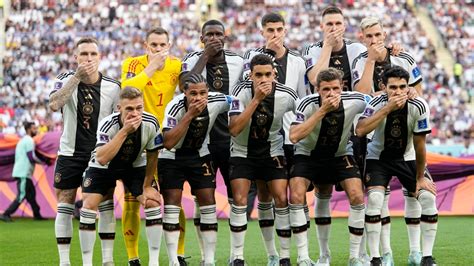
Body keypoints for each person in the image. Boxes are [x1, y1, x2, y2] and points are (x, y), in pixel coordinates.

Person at [353, 17, 424, 265]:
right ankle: (384, 253)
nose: (374, 40)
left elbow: (419, 94)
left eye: (377, 35)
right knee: (377, 197)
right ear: (362, 37)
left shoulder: (404, 57)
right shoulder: (360, 61)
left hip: (402, 135)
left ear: (384, 34)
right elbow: (361, 97)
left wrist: (411, 92)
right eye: (369, 36)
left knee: (412, 194)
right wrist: (371, 60)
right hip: (371, 136)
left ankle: (416, 251)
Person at [242, 13, 309, 261]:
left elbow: (302, 101)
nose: (275, 34)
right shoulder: (251, 59)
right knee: (266, 194)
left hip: (292, 137)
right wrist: (267, 55)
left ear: (285, 30)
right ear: (262, 32)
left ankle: (301, 253)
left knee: (295, 194)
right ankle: (275, 254)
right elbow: (243, 92)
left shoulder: (298, 62)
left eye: (279, 29)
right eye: (270, 29)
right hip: (263, 137)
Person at [49, 37, 120, 266]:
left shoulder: (113, 86)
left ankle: (107, 260)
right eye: (84, 54)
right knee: (66, 202)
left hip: (99, 155)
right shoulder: (64, 79)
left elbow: (117, 121)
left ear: (100, 57)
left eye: (93, 54)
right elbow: (54, 104)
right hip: (70, 153)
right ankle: (64, 262)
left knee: (106, 200)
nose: (88, 58)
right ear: (75, 58)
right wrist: (77, 77)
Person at [356, 66, 438, 266]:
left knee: (427, 197)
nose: (398, 92)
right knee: (375, 199)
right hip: (378, 158)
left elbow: (420, 146)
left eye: (403, 87)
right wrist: (387, 108)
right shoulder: (375, 103)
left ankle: (424, 257)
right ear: (384, 87)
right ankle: (376, 258)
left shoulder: (418, 106)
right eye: (393, 87)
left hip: (408, 157)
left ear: (408, 86)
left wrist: (420, 178)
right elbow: (360, 130)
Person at [121, 27, 188, 266]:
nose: (159, 49)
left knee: (172, 199)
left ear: (169, 45)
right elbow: (127, 91)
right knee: (132, 200)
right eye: (154, 45)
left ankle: (178, 254)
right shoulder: (133, 63)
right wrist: (151, 67)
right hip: (138, 141)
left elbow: (190, 91)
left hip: (167, 141)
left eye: (162, 45)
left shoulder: (177, 66)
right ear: (146, 46)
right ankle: (133, 257)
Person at [289, 68, 369, 266]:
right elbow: (294, 135)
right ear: (317, 89)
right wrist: (322, 111)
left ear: (342, 86)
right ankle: (307, 257)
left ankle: (355, 257)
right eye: (326, 90)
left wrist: (409, 92)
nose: (331, 94)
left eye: (335, 88)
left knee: (358, 196)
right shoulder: (306, 103)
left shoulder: (355, 100)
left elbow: (377, 100)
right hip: (308, 154)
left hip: (340, 154)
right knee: (297, 195)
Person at [180, 19, 244, 262]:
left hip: (231, 141)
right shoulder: (192, 60)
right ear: (202, 38)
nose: (214, 38)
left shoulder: (238, 61)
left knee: (236, 197)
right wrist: (205, 55)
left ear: (225, 37)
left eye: (219, 34)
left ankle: (236, 256)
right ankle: (207, 256)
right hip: (202, 142)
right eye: (209, 35)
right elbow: (185, 86)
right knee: (202, 199)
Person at [78, 87, 163, 266]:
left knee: (153, 202)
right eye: (129, 109)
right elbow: (101, 158)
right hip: (104, 167)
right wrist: (124, 131)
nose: (135, 113)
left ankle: (154, 262)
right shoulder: (108, 124)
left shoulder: (151, 123)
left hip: (134, 167)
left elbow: (153, 154)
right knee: (88, 206)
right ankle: (92, 262)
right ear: (119, 108)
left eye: (139, 108)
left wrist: (147, 185)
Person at [228, 54, 298, 266]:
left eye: (268, 74)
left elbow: (305, 114)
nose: (263, 79)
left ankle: (281, 257)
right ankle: (238, 257)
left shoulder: (287, 95)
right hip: (242, 151)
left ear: (275, 75)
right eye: (258, 75)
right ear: (251, 75)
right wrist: (257, 99)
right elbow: (234, 129)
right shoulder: (239, 92)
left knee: (280, 199)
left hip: (272, 151)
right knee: (240, 200)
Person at [159, 73, 232, 266]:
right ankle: (174, 260)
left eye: (202, 93)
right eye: (193, 93)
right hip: (172, 157)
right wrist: (190, 115)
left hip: (200, 155)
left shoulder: (217, 100)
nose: (198, 98)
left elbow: (237, 101)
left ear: (208, 91)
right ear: (184, 92)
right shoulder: (174, 107)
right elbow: (168, 142)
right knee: (172, 205)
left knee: (208, 202)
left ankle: (208, 260)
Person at [0, 122, 50, 222]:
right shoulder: (29, 141)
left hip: (24, 173)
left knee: (31, 195)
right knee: (22, 195)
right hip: (23, 173)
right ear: (28, 130)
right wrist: (45, 162)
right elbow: (31, 157)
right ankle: (6, 214)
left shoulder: (23, 140)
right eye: (34, 128)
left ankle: (37, 215)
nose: (36, 130)